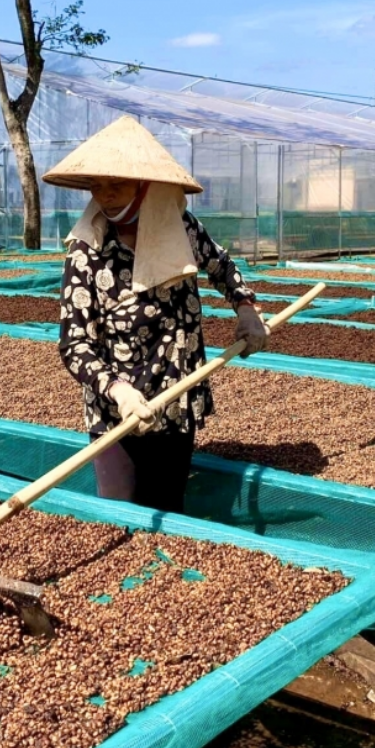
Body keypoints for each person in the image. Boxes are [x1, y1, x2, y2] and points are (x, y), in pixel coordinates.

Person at [44, 116, 269, 514]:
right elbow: (74, 344)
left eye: (117, 184)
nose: (106, 196)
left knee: (169, 508)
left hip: (177, 400)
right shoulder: (87, 253)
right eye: (97, 186)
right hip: (118, 413)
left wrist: (247, 309)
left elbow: (221, 266)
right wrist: (118, 391)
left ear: (145, 185)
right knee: (120, 513)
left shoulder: (180, 229)